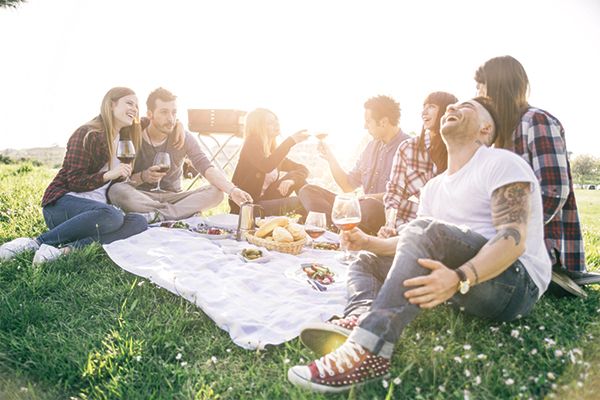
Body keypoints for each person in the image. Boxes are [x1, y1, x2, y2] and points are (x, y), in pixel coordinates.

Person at [287, 97, 551, 393]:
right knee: (366, 260)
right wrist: (368, 242)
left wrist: (459, 278)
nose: (452, 108)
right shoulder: (434, 187)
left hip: (514, 285)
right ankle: (360, 317)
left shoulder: (501, 163)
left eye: (466, 108)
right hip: (463, 281)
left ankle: (368, 349)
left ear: (485, 129)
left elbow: (513, 240)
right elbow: (414, 243)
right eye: (453, 106)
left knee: (423, 229)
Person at [475, 55, 600, 295]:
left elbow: (554, 191)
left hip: (543, 245)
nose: (479, 92)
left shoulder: (536, 121)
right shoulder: (497, 135)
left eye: (482, 84)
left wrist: (511, 232)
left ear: (499, 85)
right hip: (506, 239)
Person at [0, 87, 148, 264]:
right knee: (112, 215)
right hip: (62, 206)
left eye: (137, 106)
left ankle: (63, 251)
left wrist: (175, 124)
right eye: (129, 103)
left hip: (96, 214)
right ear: (111, 105)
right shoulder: (87, 134)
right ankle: (35, 243)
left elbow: (149, 121)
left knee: (138, 221)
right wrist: (109, 175)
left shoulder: (123, 139)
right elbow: (74, 180)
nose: (135, 109)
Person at [108, 87, 252, 222]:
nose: (171, 118)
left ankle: (158, 216)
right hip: (142, 196)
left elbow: (205, 166)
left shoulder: (183, 137)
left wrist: (232, 191)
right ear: (150, 114)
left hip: (175, 197)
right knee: (116, 190)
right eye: (164, 112)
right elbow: (124, 179)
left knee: (216, 193)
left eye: (174, 112)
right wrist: (143, 176)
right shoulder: (134, 136)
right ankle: (174, 214)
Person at [298, 95, 410, 235]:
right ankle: (336, 230)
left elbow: (406, 196)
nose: (365, 126)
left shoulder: (409, 148)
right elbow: (347, 185)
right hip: (360, 207)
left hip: (382, 212)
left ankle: (336, 228)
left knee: (370, 206)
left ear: (383, 122)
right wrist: (331, 158)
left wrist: (367, 199)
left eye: (368, 122)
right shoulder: (371, 146)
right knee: (309, 190)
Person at [379, 91, 458, 238]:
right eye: (424, 106)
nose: (424, 112)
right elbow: (394, 191)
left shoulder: (458, 152)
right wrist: (389, 225)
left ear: (447, 112)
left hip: (443, 232)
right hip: (405, 226)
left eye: (432, 107)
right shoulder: (408, 148)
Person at [229, 108, 309, 217]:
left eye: (276, 121)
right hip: (249, 208)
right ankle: (312, 225)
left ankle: (310, 225)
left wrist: (292, 180)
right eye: (270, 123)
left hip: (266, 201)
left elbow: (302, 168)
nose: (276, 124)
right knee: (300, 202)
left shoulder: (272, 153)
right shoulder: (250, 145)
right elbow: (266, 166)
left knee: (303, 186)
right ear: (258, 127)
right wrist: (290, 141)